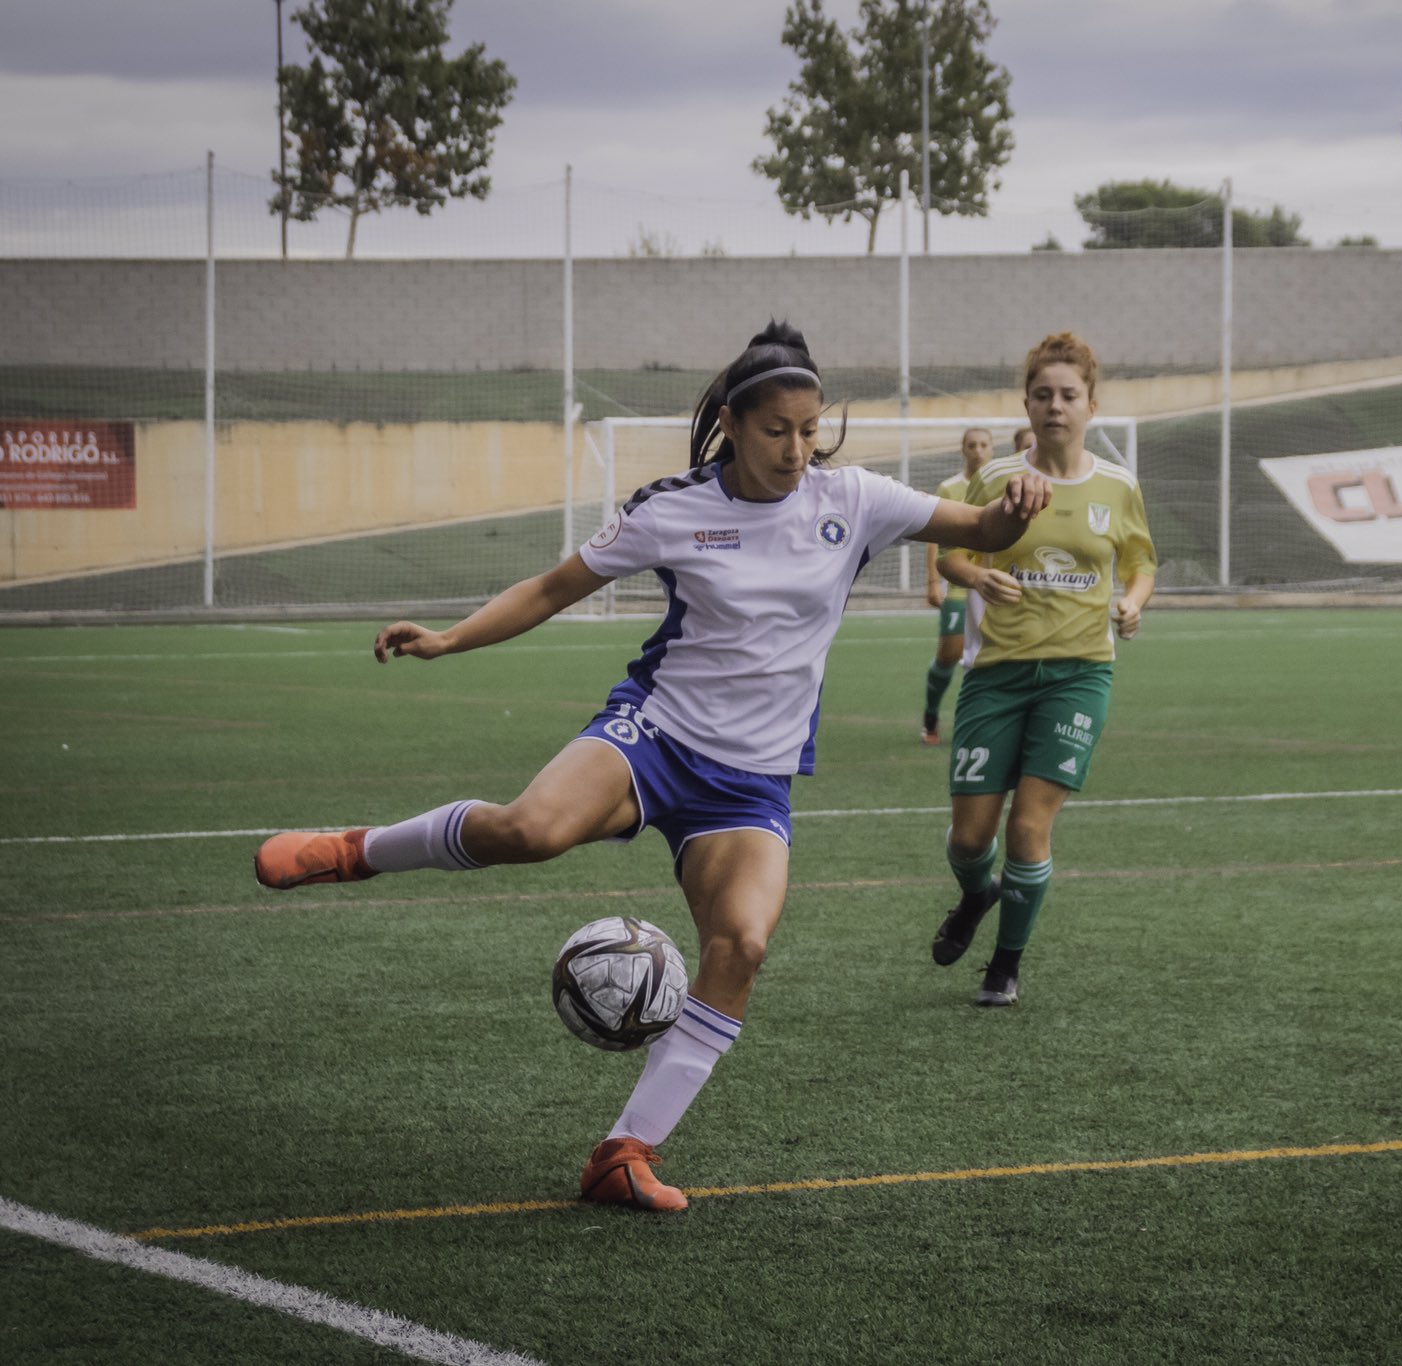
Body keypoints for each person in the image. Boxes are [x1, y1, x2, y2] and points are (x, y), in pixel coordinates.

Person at [251, 322, 1049, 1212]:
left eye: (811, 428)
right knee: (530, 829)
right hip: (656, 736)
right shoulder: (671, 508)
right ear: (735, 424)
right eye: (778, 429)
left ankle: (622, 1155)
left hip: (751, 782)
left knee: (740, 944)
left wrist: (1013, 514)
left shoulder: (852, 499)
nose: (797, 448)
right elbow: (553, 589)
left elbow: (982, 526)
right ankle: (353, 851)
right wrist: (448, 639)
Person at [928, 332, 1156, 1006]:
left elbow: (1142, 561)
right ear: (1026, 404)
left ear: (1091, 405)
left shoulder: (1117, 487)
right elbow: (948, 554)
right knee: (970, 841)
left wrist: (1133, 602)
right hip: (995, 675)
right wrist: (978, 577)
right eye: (1043, 394)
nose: (1055, 406)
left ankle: (1005, 965)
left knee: (1028, 827)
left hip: (1079, 674)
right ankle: (977, 895)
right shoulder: (997, 479)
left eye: (1068, 395)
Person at [921, 428, 996, 745]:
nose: (978, 451)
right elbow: (934, 537)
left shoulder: (1001, 485)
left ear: (992, 449)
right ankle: (931, 716)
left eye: (983, 445)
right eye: (971, 445)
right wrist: (933, 581)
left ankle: (981, 723)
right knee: (950, 654)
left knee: (991, 656)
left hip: (992, 585)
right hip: (957, 584)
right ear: (962, 450)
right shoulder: (950, 487)